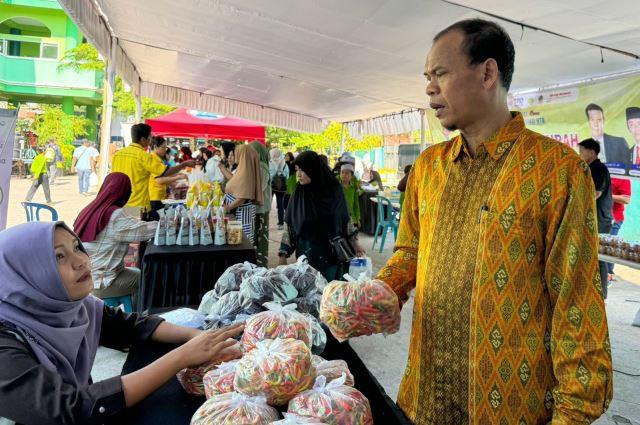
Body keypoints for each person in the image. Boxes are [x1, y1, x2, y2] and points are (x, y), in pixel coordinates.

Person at [376, 19, 612, 423]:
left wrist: (572, 413)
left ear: (487, 73)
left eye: (441, 74)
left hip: (511, 407)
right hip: (425, 398)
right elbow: (410, 251)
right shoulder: (429, 168)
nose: (430, 88)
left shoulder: (557, 171)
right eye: (427, 77)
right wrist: (381, 293)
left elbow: (576, 301)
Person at [0, 221, 244, 424]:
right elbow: (69, 408)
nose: (81, 261)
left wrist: (195, 337)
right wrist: (181, 357)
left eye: (77, 247)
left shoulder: (74, 307)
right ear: (25, 272)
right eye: (59, 257)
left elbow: (129, 326)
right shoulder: (5, 347)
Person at [278, 151, 365, 281]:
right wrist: (283, 254)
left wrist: (355, 244)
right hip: (307, 255)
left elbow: (345, 219)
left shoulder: (334, 190)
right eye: (298, 170)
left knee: (330, 294)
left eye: (303, 170)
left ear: (313, 169)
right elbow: (289, 225)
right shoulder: (299, 194)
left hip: (332, 256)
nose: (299, 175)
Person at [73, 172, 156, 308]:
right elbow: (143, 232)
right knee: (148, 276)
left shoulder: (89, 209)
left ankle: (132, 309)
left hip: (85, 275)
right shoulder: (114, 215)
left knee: (137, 273)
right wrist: (168, 224)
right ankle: (138, 317)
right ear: (124, 192)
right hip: (102, 282)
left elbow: (127, 227)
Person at [112, 124, 195, 219]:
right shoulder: (144, 156)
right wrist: (184, 164)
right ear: (143, 139)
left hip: (120, 204)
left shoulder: (117, 155)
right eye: (150, 137)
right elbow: (165, 172)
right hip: (138, 205)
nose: (151, 140)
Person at [579, 138, 614, 299]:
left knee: (599, 257)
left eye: (582, 151)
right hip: (592, 218)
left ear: (592, 152)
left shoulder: (598, 168)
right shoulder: (588, 167)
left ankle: (601, 295)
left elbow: (596, 193)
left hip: (599, 219)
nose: (580, 154)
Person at [218, 144, 263, 244]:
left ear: (243, 155)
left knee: (243, 241)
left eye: (237, 153)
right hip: (239, 211)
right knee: (236, 239)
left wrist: (228, 207)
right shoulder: (242, 169)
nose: (235, 155)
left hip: (242, 213)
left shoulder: (246, 172)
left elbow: (243, 196)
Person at [149, 136, 188, 220]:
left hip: (160, 196)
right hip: (155, 197)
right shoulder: (153, 159)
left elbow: (164, 175)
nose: (165, 150)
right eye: (163, 147)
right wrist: (177, 177)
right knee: (157, 224)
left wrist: (175, 177)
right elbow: (159, 180)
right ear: (155, 147)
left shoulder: (157, 159)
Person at [250, 141, 272, 267]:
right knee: (256, 237)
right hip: (257, 208)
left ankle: (261, 264)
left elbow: (260, 187)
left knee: (260, 238)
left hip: (261, 209)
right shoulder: (257, 165)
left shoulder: (262, 166)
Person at [608, 177, 631, 282]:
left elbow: (626, 199)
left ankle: (609, 274)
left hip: (614, 219)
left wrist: (607, 195)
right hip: (601, 217)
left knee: (608, 247)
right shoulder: (604, 173)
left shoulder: (623, 178)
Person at [270, 148, 289, 230]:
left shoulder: (270, 162)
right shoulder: (284, 164)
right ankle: (281, 223)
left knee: (267, 204)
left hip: (271, 186)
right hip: (281, 188)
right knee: (280, 205)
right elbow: (287, 176)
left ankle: (265, 222)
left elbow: (269, 175)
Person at [339, 163, 361, 227]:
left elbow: (356, 205)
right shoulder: (337, 188)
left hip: (352, 218)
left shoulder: (353, 188)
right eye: (342, 172)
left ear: (351, 176)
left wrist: (358, 219)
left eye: (347, 173)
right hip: (339, 218)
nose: (344, 175)